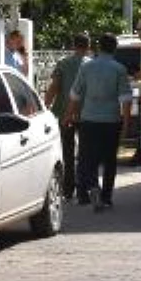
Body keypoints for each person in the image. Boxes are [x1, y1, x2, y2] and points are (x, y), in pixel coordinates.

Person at [63, 33, 132, 211]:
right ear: (114, 48)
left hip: (89, 120)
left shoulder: (87, 67)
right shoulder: (119, 69)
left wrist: (68, 116)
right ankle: (107, 198)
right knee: (110, 160)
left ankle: (93, 186)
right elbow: (125, 99)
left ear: (99, 47)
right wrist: (125, 124)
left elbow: (75, 94)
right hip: (111, 121)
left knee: (88, 159)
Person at [45, 32, 91, 201]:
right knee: (86, 153)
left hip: (65, 113)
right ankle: (83, 188)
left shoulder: (63, 63)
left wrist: (45, 106)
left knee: (67, 152)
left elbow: (54, 87)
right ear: (89, 47)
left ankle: (68, 189)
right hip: (87, 114)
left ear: (73, 46)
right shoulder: (91, 65)